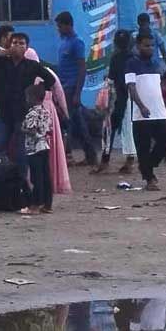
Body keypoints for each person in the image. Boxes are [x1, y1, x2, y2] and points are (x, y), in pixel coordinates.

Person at [0, 32, 56, 166]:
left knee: (21, 152)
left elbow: (50, 79)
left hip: (22, 114)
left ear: (27, 48)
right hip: (3, 113)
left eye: (21, 43)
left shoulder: (32, 65)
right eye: (14, 43)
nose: (17, 46)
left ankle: (22, 182)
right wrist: (5, 52)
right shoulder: (1, 62)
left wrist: (38, 90)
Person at [126, 32, 166, 191]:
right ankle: (149, 178)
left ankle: (148, 166)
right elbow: (131, 87)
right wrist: (141, 106)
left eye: (152, 45)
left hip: (159, 111)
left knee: (165, 139)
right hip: (141, 114)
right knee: (143, 146)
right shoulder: (131, 64)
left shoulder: (155, 64)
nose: (150, 48)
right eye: (146, 45)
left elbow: (158, 87)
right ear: (138, 46)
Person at [25, 49, 72, 195]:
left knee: (34, 148)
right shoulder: (48, 72)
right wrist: (65, 113)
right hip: (49, 112)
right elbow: (59, 93)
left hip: (31, 112)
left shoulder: (24, 73)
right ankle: (52, 182)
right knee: (49, 146)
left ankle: (34, 183)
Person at [55, 11, 93, 165]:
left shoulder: (77, 43)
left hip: (70, 88)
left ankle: (68, 155)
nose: (58, 29)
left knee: (67, 121)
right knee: (76, 121)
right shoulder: (64, 41)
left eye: (60, 26)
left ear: (67, 25)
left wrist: (77, 93)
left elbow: (82, 68)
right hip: (63, 87)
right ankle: (89, 154)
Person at [99, 30, 136, 174]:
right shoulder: (134, 58)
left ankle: (105, 160)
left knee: (109, 129)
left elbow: (111, 79)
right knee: (129, 130)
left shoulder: (115, 58)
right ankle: (129, 161)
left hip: (117, 98)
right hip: (131, 97)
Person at [22, 83, 53, 215]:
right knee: (46, 176)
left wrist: (22, 129)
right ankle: (47, 204)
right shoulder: (46, 112)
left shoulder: (32, 113)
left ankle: (35, 204)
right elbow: (49, 129)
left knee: (36, 177)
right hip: (45, 146)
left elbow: (31, 129)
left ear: (33, 98)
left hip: (34, 148)